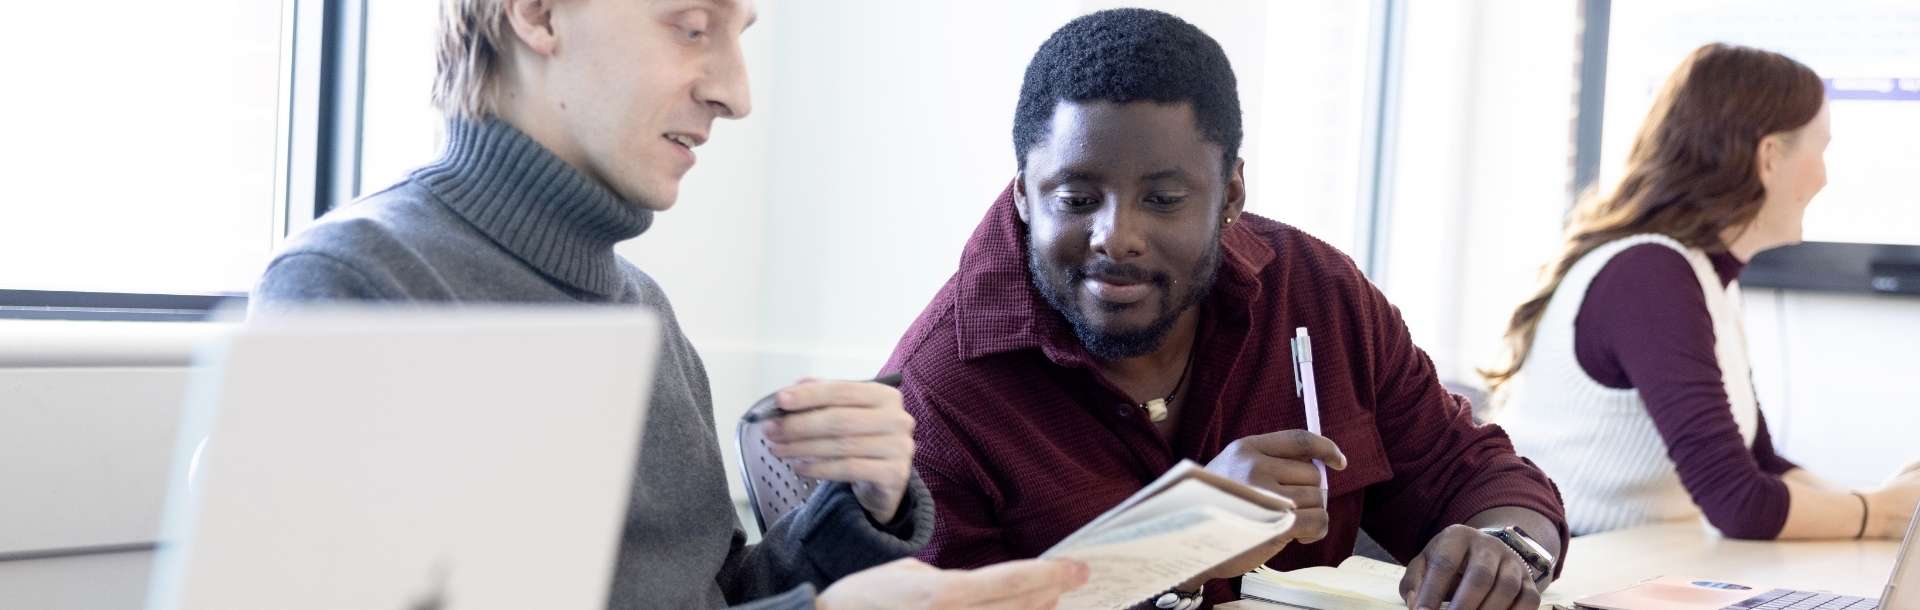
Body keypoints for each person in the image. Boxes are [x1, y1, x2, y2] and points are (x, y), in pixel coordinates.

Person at [251, 1, 1087, 609]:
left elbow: (710, 597)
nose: (736, 92)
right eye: (693, 27)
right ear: (539, 15)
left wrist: (856, 511)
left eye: (738, 38)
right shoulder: (354, 283)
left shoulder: (643, 311)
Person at [883, 9, 1566, 610]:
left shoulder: (1317, 293)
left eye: (1163, 198)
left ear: (1232, 193)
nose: (1117, 237)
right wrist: (1185, 538)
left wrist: (1501, 549)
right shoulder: (936, 392)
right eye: (1077, 197)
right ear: (1026, 195)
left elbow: (1479, 476)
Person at [1486, 43, 1920, 541]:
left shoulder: (1703, 277)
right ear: (1770, 157)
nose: (1825, 176)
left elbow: (1761, 463)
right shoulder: (1649, 276)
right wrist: (1880, 512)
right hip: (1571, 567)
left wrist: (1889, 510)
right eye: (1820, 150)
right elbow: (1738, 502)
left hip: (1632, 564)